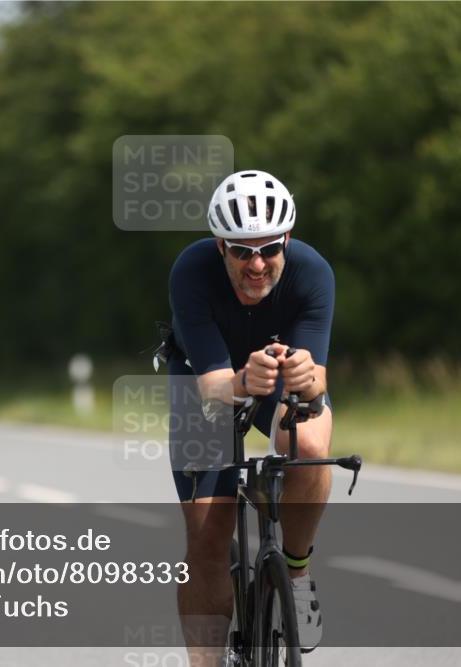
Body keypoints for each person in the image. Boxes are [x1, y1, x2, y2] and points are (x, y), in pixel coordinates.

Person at [165, 170, 335, 662]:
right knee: (207, 537)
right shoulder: (191, 271)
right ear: (220, 247)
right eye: (242, 251)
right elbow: (213, 386)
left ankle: (297, 574)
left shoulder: (313, 272)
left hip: (278, 377)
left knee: (309, 448)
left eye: (270, 249)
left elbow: (318, 378)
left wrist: (305, 373)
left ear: (287, 241)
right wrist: (241, 382)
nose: (257, 264)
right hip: (206, 379)